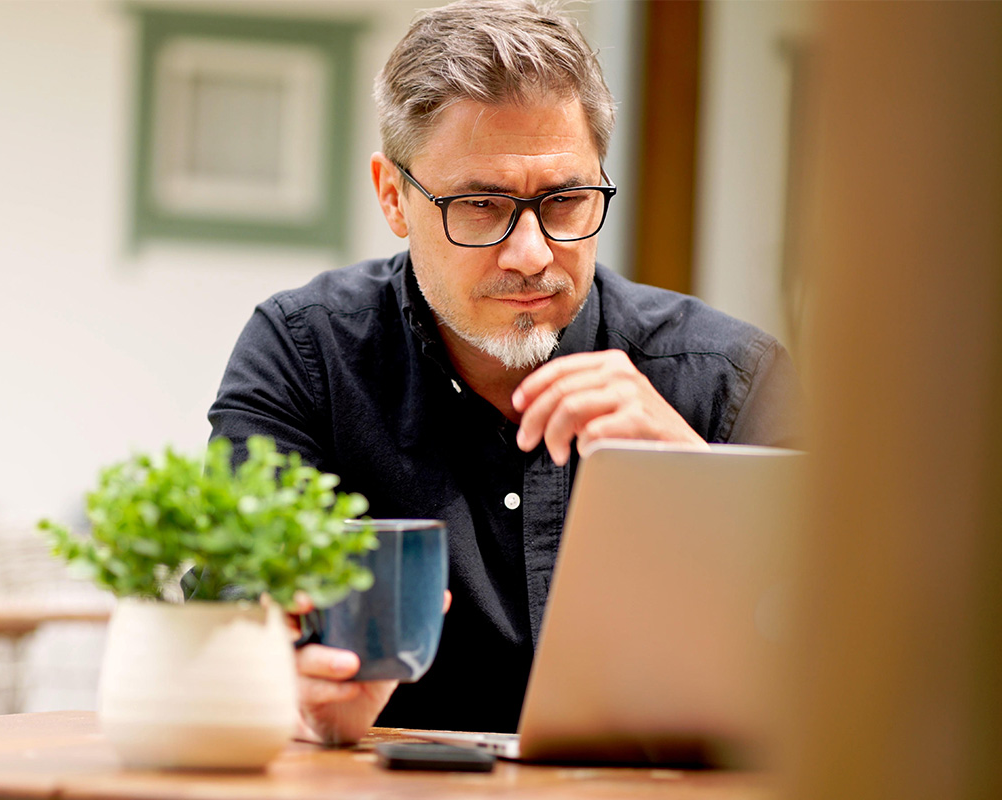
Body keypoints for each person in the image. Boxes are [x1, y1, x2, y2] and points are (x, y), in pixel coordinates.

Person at [205, 0, 798, 741]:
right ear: (393, 195)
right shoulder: (306, 355)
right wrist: (295, 689)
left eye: (565, 200)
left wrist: (704, 490)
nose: (532, 253)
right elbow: (228, 607)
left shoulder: (727, 376)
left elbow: (865, 652)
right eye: (482, 205)